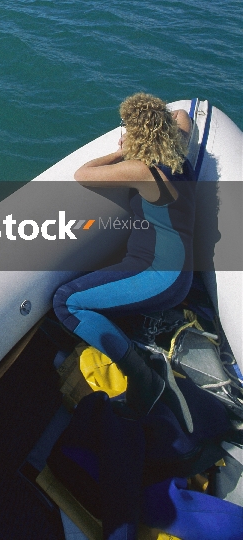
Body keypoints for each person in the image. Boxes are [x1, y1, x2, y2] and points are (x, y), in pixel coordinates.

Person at [53, 93, 195, 419]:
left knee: (66, 302)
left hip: (157, 277)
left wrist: (120, 150)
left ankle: (142, 377)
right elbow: (183, 117)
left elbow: (83, 173)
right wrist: (152, 122)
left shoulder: (143, 171)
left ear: (140, 135)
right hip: (180, 275)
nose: (123, 131)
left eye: (126, 127)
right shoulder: (179, 155)